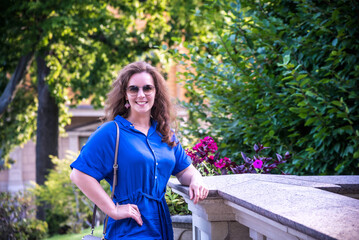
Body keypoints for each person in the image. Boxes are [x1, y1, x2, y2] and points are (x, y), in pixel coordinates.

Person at [70, 61, 209, 239]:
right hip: (130, 227)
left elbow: (184, 171)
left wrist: (197, 180)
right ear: (125, 95)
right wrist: (113, 209)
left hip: (161, 225)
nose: (141, 95)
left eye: (147, 88)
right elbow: (79, 174)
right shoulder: (112, 132)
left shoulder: (165, 133)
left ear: (156, 93)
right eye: (133, 89)